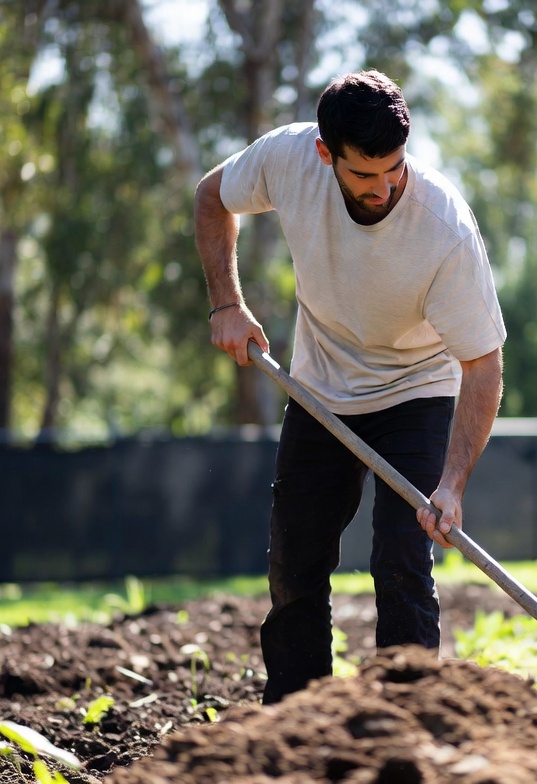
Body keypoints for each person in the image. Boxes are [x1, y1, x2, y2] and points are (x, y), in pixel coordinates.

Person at [194, 69, 506, 704]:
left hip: (417, 388)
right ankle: (297, 714)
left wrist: (450, 485)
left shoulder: (443, 229)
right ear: (324, 152)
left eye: (394, 167)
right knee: (296, 560)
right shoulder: (286, 157)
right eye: (364, 174)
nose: (385, 185)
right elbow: (210, 197)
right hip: (320, 387)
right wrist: (225, 302)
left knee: (401, 554)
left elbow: (483, 365)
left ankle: (411, 714)